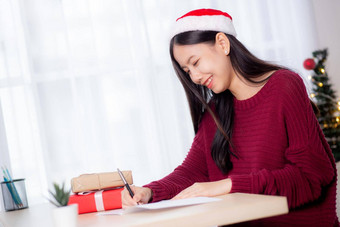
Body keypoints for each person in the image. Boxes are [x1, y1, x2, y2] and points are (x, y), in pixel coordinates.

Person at [121, 8, 339, 226]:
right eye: (187, 71)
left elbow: (312, 176)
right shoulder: (215, 111)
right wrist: (150, 191)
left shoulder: (284, 86)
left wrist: (228, 185)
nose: (195, 77)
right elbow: (192, 172)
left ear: (223, 43)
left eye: (195, 62)